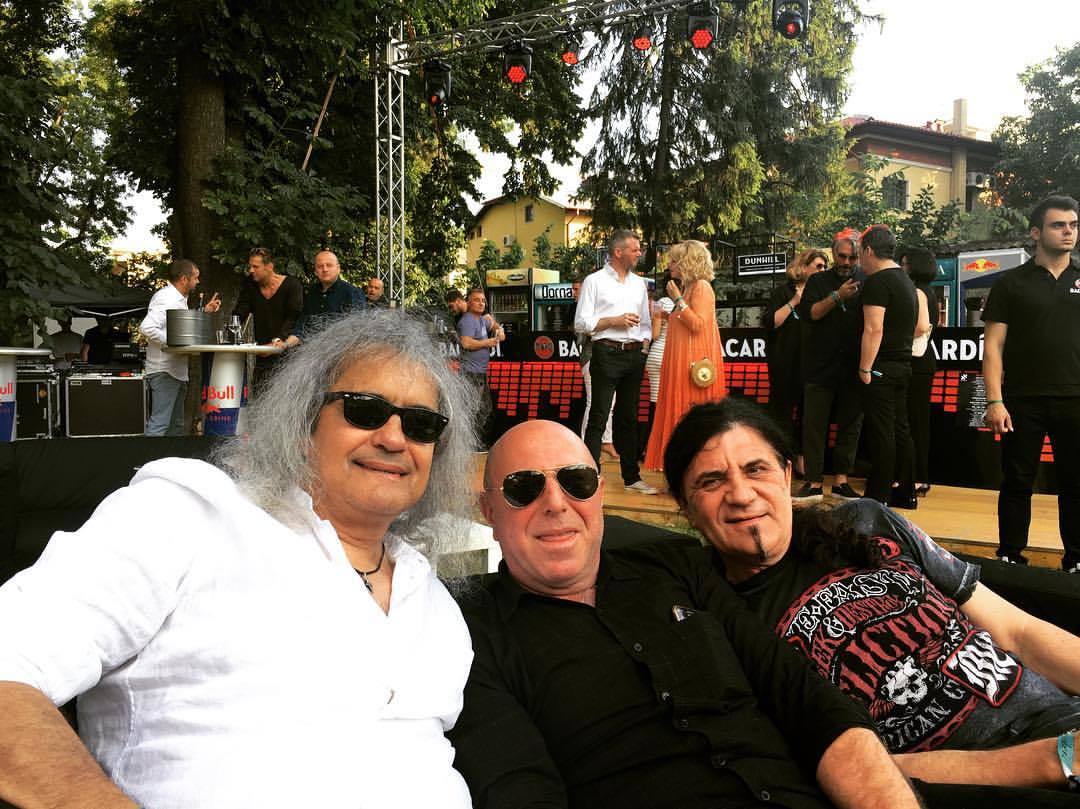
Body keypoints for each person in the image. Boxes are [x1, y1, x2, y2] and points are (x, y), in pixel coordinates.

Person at [0, 310, 477, 809]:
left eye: (421, 424)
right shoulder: (188, 515)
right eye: (365, 410)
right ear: (304, 420)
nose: (394, 439)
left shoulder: (433, 599)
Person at [450, 418, 924, 809]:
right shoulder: (466, 631)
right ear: (489, 511)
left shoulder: (676, 567)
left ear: (599, 494)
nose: (556, 503)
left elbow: (803, 698)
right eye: (523, 488)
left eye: (576, 482)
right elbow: (519, 789)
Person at [662, 397, 1080, 798]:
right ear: (685, 506)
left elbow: (1017, 631)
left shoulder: (865, 521)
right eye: (711, 481)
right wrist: (1055, 759)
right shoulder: (717, 622)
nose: (741, 494)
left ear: (786, 476)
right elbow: (852, 770)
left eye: (756, 469)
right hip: (998, 782)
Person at [982, 195, 1080, 572]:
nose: (1068, 231)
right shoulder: (1011, 283)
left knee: (1076, 484)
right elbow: (993, 346)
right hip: (1022, 400)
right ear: (1036, 232)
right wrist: (994, 401)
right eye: (1059, 225)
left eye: (1073, 225)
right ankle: (1010, 556)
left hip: (1075, 400)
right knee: (1017, 482)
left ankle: (1076, 561)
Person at [575, 230, 657, 493]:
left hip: (634, 355)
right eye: (635, 249)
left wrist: (644, 346)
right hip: (606, 352)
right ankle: (590, 477)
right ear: (618, 252)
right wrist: (614, 321)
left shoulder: (639, 283)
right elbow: (581, 322)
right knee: (599, 416)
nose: (639, 253)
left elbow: (646, 322)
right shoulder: (594, 281)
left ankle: (632, 478)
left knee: (628, 418)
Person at [644, 239, 725, 470]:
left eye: (673, 260)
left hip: (691, 366)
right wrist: (668, 315)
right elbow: (687, 321)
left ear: (687, 262)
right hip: (680, 363)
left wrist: (677, 299)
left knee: (688, 415)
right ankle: (680, 467)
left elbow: (698, 324)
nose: (668, 265)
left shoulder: (701, 287)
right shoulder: (690, 288)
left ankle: (692, 467)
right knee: (679, 413)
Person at [796, 231, 864, 503]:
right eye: (842, 256)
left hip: (854, 365)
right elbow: (811, 313)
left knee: (851, 425)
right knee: (814, 425)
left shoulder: (867, 279)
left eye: (852, 257)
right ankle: (813, 482)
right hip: (820, 365)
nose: (846, 262)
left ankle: (841, 481)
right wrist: (837, 296)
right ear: (834, 254)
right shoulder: (818, 281)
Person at [858, 224, 918, 509]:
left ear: (869, 250)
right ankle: (905, 491)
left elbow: (873, 329)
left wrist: (865, 368)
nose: (859, 260)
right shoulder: (906, 281)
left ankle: (877, 496)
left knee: (882, 432)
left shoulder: (878, 282)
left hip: (881, 366)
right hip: (903, 364)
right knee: (900, 429)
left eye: (860, 253)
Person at [139, 259, 221, 437]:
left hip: (176, 371)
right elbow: (146, 327)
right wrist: (172, 343)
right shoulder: (166, 298)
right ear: (184, 279)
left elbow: (180, 328)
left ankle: (169, 455)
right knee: (160, 424)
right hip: (164, 370)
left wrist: (204, 312)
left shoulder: (178, 299)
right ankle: (147, 455)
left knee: (175, 426)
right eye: (195, 277)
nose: (198, 281)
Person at [765, 248, 828, 473]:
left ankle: (802, 462)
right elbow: (771, 322)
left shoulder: (822, 294)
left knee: (808, 416)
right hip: (785, 364)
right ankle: (778, 461)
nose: (823, 270)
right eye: (818, 266)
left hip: (812, 365)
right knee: (781, 414)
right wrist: (794, 301)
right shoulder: (784, 292)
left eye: (825, 267)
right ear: (803, 267)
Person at [230, 247, 303, 387]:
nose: (251, 270)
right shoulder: (250, 285)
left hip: (289, 355)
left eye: (255, 266)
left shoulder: (292, 285)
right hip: (263, 354)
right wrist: (231, 332)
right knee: (259, 394)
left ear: (269, 266)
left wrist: (278, 341)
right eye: (250, 266)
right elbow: (239, 314)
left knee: (284, 396)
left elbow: (294, 318)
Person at [902, 248, 939, 497]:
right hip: (924, 362)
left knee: (912, 422)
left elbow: (920, 327)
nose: (902, 268)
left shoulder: (917, 292)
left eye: (905, 264)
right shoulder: (930, 292)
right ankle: (919, 476)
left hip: (916, 362)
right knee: (919, 422)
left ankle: (915, 478)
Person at [571, 273, 617, 461]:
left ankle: (605, 441)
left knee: (609, 402)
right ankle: (586, 446)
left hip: (604, 357)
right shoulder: (584, 308)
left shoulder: (593, 305)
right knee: (594, 402)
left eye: (576, 289)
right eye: (573, 289)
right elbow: (584, 333)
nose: (574, 293)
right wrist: (611, 323)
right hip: (591, 357)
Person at [285, 249, 365, 347]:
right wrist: (285, 344)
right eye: (320, 266)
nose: (325, 269)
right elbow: (301, 327)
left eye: (329, 265)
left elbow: (357, 329)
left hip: (341, 351)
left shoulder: (352, 293)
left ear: (338, 268)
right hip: (310, 350)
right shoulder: (312, 293)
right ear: (315, 271)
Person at [456, 287, 504, 448]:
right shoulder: (468, 321)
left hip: (479, 374)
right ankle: (470, 445)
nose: (481, 303)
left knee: (484, 411)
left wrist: (499, 329)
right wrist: (488, 342)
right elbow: (466, 343)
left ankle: (474, 444)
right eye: (477, 300)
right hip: (471, 374)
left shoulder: (482, 320)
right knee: (474, 412)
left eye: (483, 301)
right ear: (468, 303)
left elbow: (494, 325)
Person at [641, 284, 676, 457]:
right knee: (663, 405)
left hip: (657, 356)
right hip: (668, 357)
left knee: (655, 404)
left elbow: (654, 335)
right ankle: (656, 449)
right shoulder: (677, 304)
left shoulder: (660, 304)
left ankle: (651, 449)